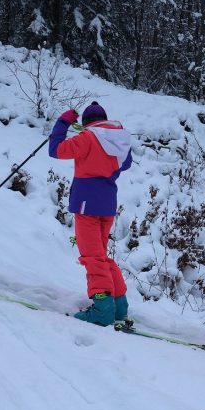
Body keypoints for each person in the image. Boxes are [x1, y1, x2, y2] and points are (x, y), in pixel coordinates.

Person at [49, 101, 133, 326]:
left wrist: (63, 122)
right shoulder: (121, 139)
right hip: (107, 204)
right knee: (101, 255)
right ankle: (119, 304)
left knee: (91, 257)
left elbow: (55, 150)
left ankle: (103, 309)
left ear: (86, 124)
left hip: (86, 204)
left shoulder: (87, 138)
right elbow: (125, 165)